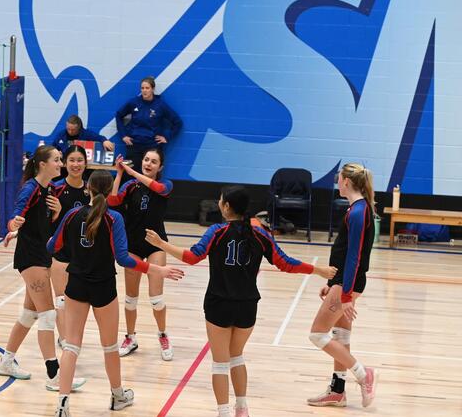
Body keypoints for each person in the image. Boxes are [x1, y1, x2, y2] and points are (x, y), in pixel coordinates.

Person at [145, 185, 336, 417]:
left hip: (219, 304)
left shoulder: (217, 231)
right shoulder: (260, 233)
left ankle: (224, 412)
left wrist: (161, 244)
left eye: (220, 200)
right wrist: (318, 270)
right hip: (247, 306)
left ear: (226, 207)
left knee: (219, 363)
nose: (218, 203)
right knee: (236, 356)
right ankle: (242, 408)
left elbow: (192, 257)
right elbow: (286, 263)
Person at [48, 169, 184, 416]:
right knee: (110, 347)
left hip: (76, 285)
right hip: (103, 287)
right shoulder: (114, 219)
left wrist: (73, 251)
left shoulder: (71, 215)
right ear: (111, 191)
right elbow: (123, 259)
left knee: (71, 347)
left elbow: (52, 246)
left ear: (87, 188)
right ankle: (117, 395)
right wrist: (156, 269)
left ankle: (62, 403)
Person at [0, 145, 85, 391]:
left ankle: (6, 360)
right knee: (48, 314)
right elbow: (17, 213)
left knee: (29, 314)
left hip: (42, 255)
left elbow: (40, 225)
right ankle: (54, 374)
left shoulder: (48, 191)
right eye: (57, 160)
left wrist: (55, 215)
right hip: (31, 258)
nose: (61, 163)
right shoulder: (31, 188)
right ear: (43, 164)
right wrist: (14, 224)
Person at [306, 163, 378, 408]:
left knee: (317, 334)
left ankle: (362, 374)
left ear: (347, 181)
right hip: (343, 281)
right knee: (341, 335)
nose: (337, 183)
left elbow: (355, 256)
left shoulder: (359, 211)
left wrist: (345, 293)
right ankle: (337, 391)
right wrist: (331, 282)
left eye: (339, 179)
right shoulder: (357, 209)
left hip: (349, 282)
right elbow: (343, 251)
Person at [108, 149, 174, 360]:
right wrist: (119, 174)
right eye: (146, 159)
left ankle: (163, 335)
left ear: (160, 167)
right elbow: (112, 201)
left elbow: (157, 187)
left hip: (155, 244)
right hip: (133, 244)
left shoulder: (166, 185)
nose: (149, 163)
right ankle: (130, 337)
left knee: (156, 298)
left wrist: (133, 172)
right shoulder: (130, 186)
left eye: (154, 161)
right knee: (130, 298)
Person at [48, 145, 89, 348]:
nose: (75, 164)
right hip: (60, 253)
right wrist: (55, 214)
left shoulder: (91, 191)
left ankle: (71, 335)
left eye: (79, 160)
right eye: (72, 160)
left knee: (77, 301)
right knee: (61, 299)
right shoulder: (55, 188)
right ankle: (64, 339)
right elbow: (44, 222)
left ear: (85, 163)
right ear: (65, 163)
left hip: (83, 255)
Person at [113, 76, 182, 169]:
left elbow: (178, 122)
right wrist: (123, 135)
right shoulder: (134, 102)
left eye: (147, 88)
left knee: (149, 177)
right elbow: (118, 115)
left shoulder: (160, 105)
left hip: (152, 147)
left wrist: (167, 136)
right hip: (134, 146)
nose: (144, 90)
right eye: (142, 88)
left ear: (153, 89)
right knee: (128, 173)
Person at [50, 114, 115, 152]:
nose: (70, 132)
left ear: (79, 128)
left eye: (73, 130)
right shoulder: (61, 135)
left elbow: (99, 137)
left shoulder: (86, 134)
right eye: (68, 129)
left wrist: (104, 141)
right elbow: (52, 148)